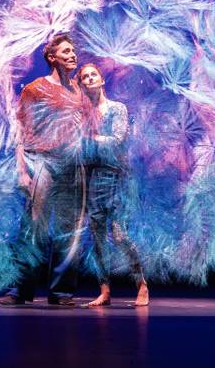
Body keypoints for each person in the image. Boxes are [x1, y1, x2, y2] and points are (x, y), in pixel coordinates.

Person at [0, 34, 84, 307]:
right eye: (66, 51)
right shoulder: (35, 89)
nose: (73, 55)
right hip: (43, 162)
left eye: (73, 51)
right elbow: (20, 130)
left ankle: (61, 293)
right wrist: (22, 171)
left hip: (72, 165)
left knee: (69, 231)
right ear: (51, 57)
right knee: (34, 227)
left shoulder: (79, 90)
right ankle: (20, 290)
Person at [77, 63, 149, 307]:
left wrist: (88, 139)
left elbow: (117, 139)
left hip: (117, 176)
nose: (89, 78)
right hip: (92, 178)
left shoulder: (117, 108)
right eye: (85, 77)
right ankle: (104, 290)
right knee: (97, 237)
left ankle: (141, 284)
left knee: (119, 234)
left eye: (93, 74)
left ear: (102, 80)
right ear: (81, 84)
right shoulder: (81, 115)